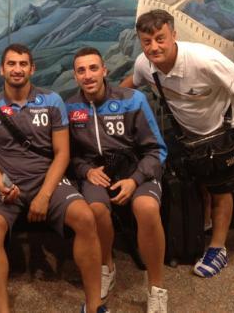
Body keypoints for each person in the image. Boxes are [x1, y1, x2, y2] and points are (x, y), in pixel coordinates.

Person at [121, 9, 234, 278]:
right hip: (190, 133)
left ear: (174, 35)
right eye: (147, 41)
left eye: (160, 38)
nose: (154, 47)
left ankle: (218, 248)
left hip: (226, 128)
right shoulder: (144, 64)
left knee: (221, 188)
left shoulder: (203, 59)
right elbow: (130, 85)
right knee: (198, 181)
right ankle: (201, 225)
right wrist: (106, 103)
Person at [0, 43, 106, 313]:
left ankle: (94, 306)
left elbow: (62, 154)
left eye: (23, 64)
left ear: (32, 69)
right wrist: (1, 184)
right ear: (2, 70)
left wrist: (45, 195)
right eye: (11, 64)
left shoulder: (51, 101)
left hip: (48, 180)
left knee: (85, 217)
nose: (17, 69)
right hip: (7, 183)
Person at [67, 47, 168, 312]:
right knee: (94, 210)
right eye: (81, 70)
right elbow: (70, 155)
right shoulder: (71, 107)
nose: (88, 75)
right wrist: (86, 171)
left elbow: (157, 150)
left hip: (137, 167)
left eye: (93, 68)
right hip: (98, 172)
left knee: (146, 208)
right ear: (75, 76)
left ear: (104, 70)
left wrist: (135, 179)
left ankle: (156, 288)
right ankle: (106, 266)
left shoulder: (133, 99)